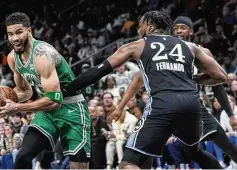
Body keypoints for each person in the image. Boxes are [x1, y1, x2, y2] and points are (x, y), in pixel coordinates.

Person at [63, 11, 227, 169]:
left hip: (162, 105)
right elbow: (221, 76)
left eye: (140, 26)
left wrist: (67, 90)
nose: (137, 30)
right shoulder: (189, 46)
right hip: (192, 107)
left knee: (128, 163)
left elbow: (99, 71)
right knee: (195, 152)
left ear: (149, 27)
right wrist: (192, 78)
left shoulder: (138, 45)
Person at [0, 12, 91, 169]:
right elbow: (25, 91)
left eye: (19, 32)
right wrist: (6, 103)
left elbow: (55, 101)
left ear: (29, 31)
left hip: (72, 109)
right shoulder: (12, 58)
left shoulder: (43, 54)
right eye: (10, 34)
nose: (14, 38)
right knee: (23, 156)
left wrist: (17, 108)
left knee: (78, 167)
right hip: (46, 112)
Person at [173, 16, 237, 165]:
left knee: (227, 146)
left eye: (182, 27)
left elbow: (218, 84)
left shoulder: (203, 52)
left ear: (191, 30)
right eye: (175, 28)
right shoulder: (167, 53)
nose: (178, 31)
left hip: (196, 108)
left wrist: (230, 114)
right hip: (175, 110)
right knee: (193, 154)